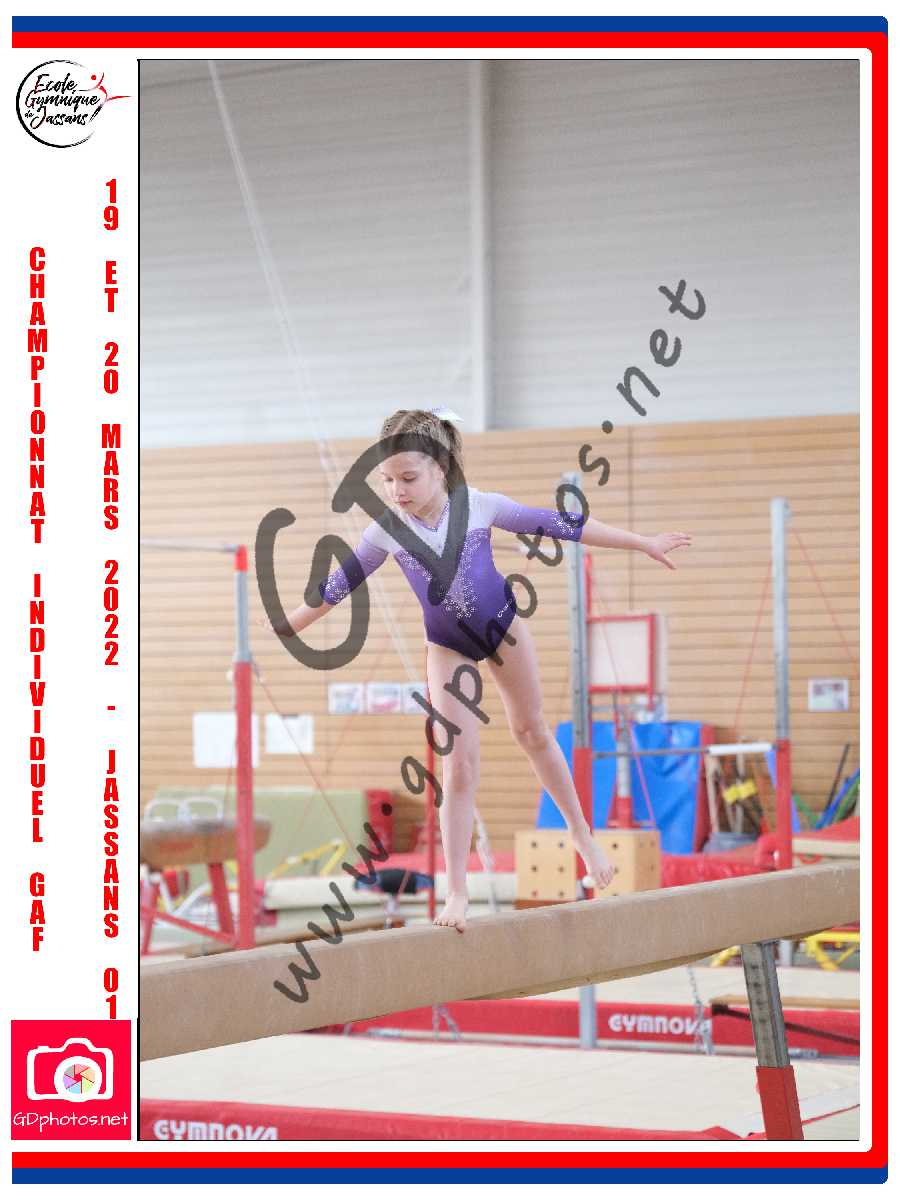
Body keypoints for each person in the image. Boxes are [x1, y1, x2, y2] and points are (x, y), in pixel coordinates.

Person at [267, 407, 691, 932]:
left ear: (440, 467)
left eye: (408, 478)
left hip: (503, 628)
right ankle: (457, 891)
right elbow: (339, 583)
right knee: (459, 768)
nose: (397, 491)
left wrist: (642, 542)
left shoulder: (480, 506)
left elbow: (563, 524)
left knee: (532, 732)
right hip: (445, 648)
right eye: (387, 481)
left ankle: (582, 835)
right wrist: (290, 623)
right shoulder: (386, 531)